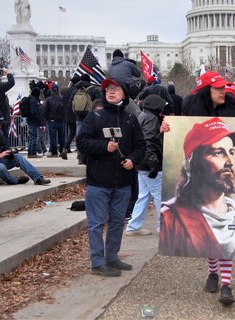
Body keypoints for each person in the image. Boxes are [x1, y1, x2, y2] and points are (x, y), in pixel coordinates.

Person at [165, 71, 235, 306]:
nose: (224, 90)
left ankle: (226, 284)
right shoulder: (173, 217)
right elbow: (175, 128)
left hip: (220, 205)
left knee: (223, 234)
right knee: (210, 233)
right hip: (195, 198)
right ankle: (213, 272)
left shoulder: (233, 106)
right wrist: (166, 128)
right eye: (218, 88)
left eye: (230, 152)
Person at [76, 77, 145, 277]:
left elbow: (140, 147)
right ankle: (97, 262)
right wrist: (103, 147)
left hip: (122, 182)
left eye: (116, 89)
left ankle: (112, 257)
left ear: (124, 93)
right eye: (108, 89)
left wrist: (133, 160)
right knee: (97, 224)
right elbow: (82, 142)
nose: (111, 92)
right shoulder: (95, 117)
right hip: (98, 182)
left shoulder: (130, 119)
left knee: (117, 222)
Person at [125, 94, 166, 236]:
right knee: (160, 196)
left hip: (142, 163)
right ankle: (165, 228)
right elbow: (149, 141)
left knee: (144, 196)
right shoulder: (152, 119)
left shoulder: (143, 116)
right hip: (150, 164)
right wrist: (153, 163)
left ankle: (133, 226)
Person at [0, 113, 50, 185]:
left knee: (18, 157)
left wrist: (9, 153)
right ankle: (14, 181)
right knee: (1, 167)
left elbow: (4, 146)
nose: (0, 126)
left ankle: (38, 178)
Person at [60, 75, 80, 160]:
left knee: (71, 133)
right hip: (77, 114)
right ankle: (80, 152)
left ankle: (65, 147)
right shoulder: (78, 90)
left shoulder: (66, 91)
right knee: (80, 133)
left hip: (68, 116)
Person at [44, 85, 65, 157]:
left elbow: (45, 110)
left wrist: (47, 118)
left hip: (52, 120)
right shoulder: (62, 99)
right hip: (61, 120)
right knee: (62, 137)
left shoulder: (48, 99)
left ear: (52, 90)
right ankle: (62, 150)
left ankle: (54, 152)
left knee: (53, 138)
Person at [26, 87, 42, 158]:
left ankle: (30, 152)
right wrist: (38, 120)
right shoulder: (33, 100)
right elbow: (33, 112)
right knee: (33, 137)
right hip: (33, 121)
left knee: (31, 137)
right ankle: (33, 153)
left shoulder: (30, 99)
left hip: (30, 121)